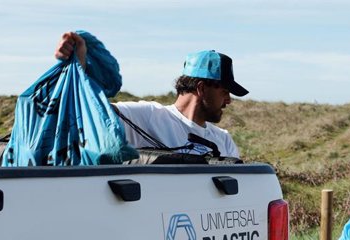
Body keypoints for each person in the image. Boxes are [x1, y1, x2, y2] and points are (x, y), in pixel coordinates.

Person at [54, 31, 247, 157]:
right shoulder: (148, 116)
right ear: (201, 88)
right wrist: (75, 62)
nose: (229, 100)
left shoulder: (224, 141)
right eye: (224, 92)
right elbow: (92, 112)